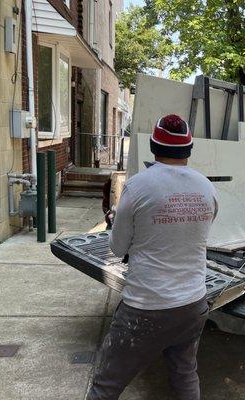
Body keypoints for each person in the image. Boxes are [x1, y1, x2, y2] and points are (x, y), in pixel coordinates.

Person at [87, 114, 218, 400]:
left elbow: (118, 248)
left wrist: (115, 222)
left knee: (106, 386)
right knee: (185, 376)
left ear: (153, 146)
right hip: (193, 305)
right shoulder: (207, 187)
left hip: (146, 310)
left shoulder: (138, 186)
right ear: (189, 149)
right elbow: (198, 233)